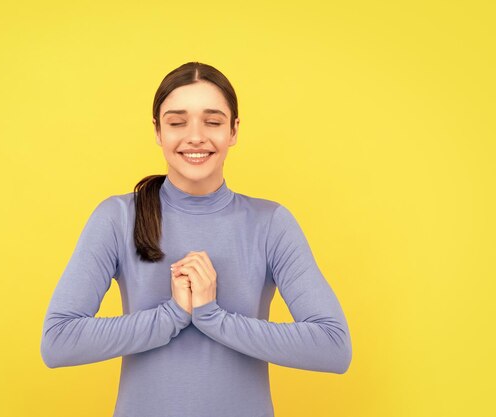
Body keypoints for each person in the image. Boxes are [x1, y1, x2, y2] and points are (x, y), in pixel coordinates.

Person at [40, 61, 352, 417]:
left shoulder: (270, 224)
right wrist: (172, 315)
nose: (195, 136)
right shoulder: (117, 218)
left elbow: (333, 347)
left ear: (234, 130)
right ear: (158, 131)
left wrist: (212, 317)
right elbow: (58, 342)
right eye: (176, 122)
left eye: (213, 122)